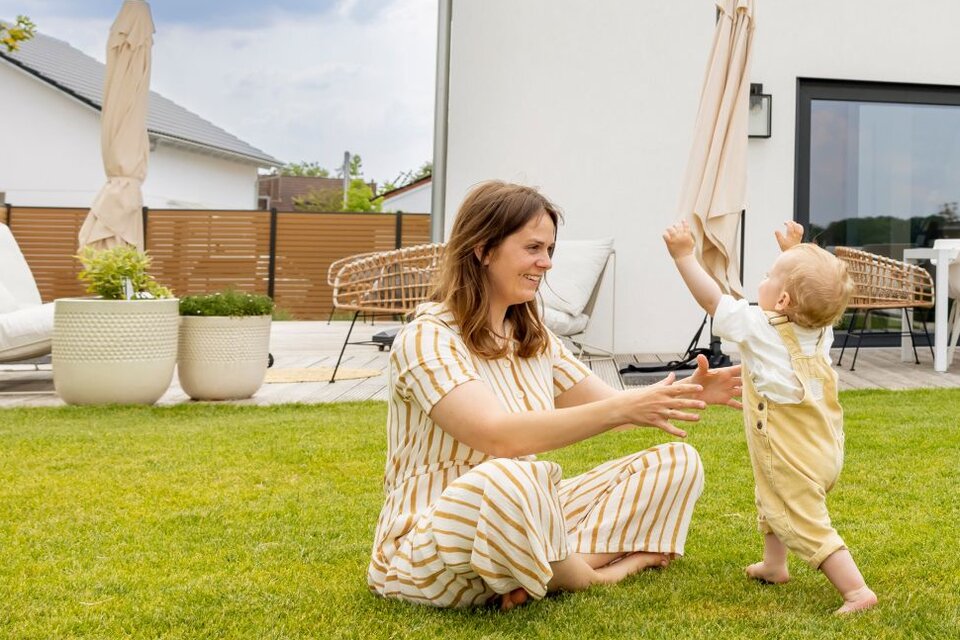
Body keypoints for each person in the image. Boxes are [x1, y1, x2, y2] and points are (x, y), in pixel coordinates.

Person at [367, 181, 742, 610]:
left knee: (676, 462)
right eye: (533, 248)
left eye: (549, 250)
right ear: (483, 249)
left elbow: (608, 403)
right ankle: (595, 573)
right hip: (429, 539)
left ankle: (533, 567)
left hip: (525, 509)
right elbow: (497, 436)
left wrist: (694, 389)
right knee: (509, 477)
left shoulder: (532, 336)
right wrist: (624, 407)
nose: (545, 263)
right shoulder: (428, 336)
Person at [662, 219, 878, 614]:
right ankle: (774, 566)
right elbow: (803, 293)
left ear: (782, 302)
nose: (761, 281)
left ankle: (856, 590)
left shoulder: (760, 327)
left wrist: (684, 257)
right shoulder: (820, 327)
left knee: (802, 518)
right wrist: (791, 254)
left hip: (790, 451)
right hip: (823, 448)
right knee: (770, 496)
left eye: (767, 277)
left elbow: (714, 300)